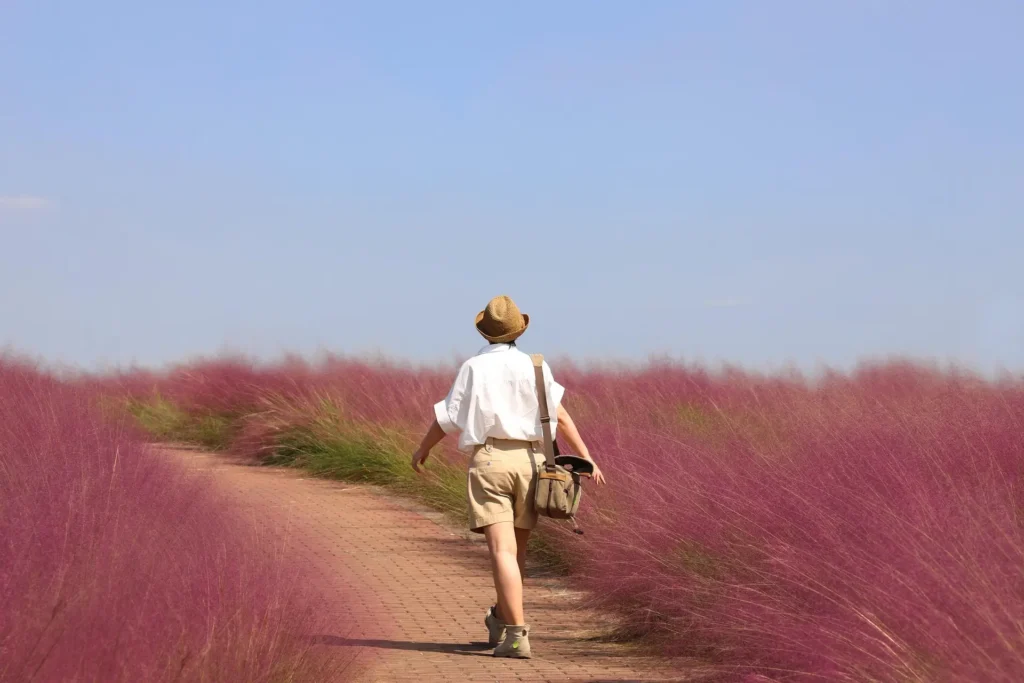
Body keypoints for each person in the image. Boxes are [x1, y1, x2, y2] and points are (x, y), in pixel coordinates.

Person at [410, 295, 605, 659]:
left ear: (484, 333)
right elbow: (560, 416)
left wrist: (423, 449)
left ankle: (516, 634)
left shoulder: (473, 367)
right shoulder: (536, 366)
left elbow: (448, 418)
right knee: (516, 555)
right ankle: (500, 619)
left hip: (491, 460)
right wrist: (587, 457)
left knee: (501, 551)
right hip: (532, 464)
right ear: (519, 330)